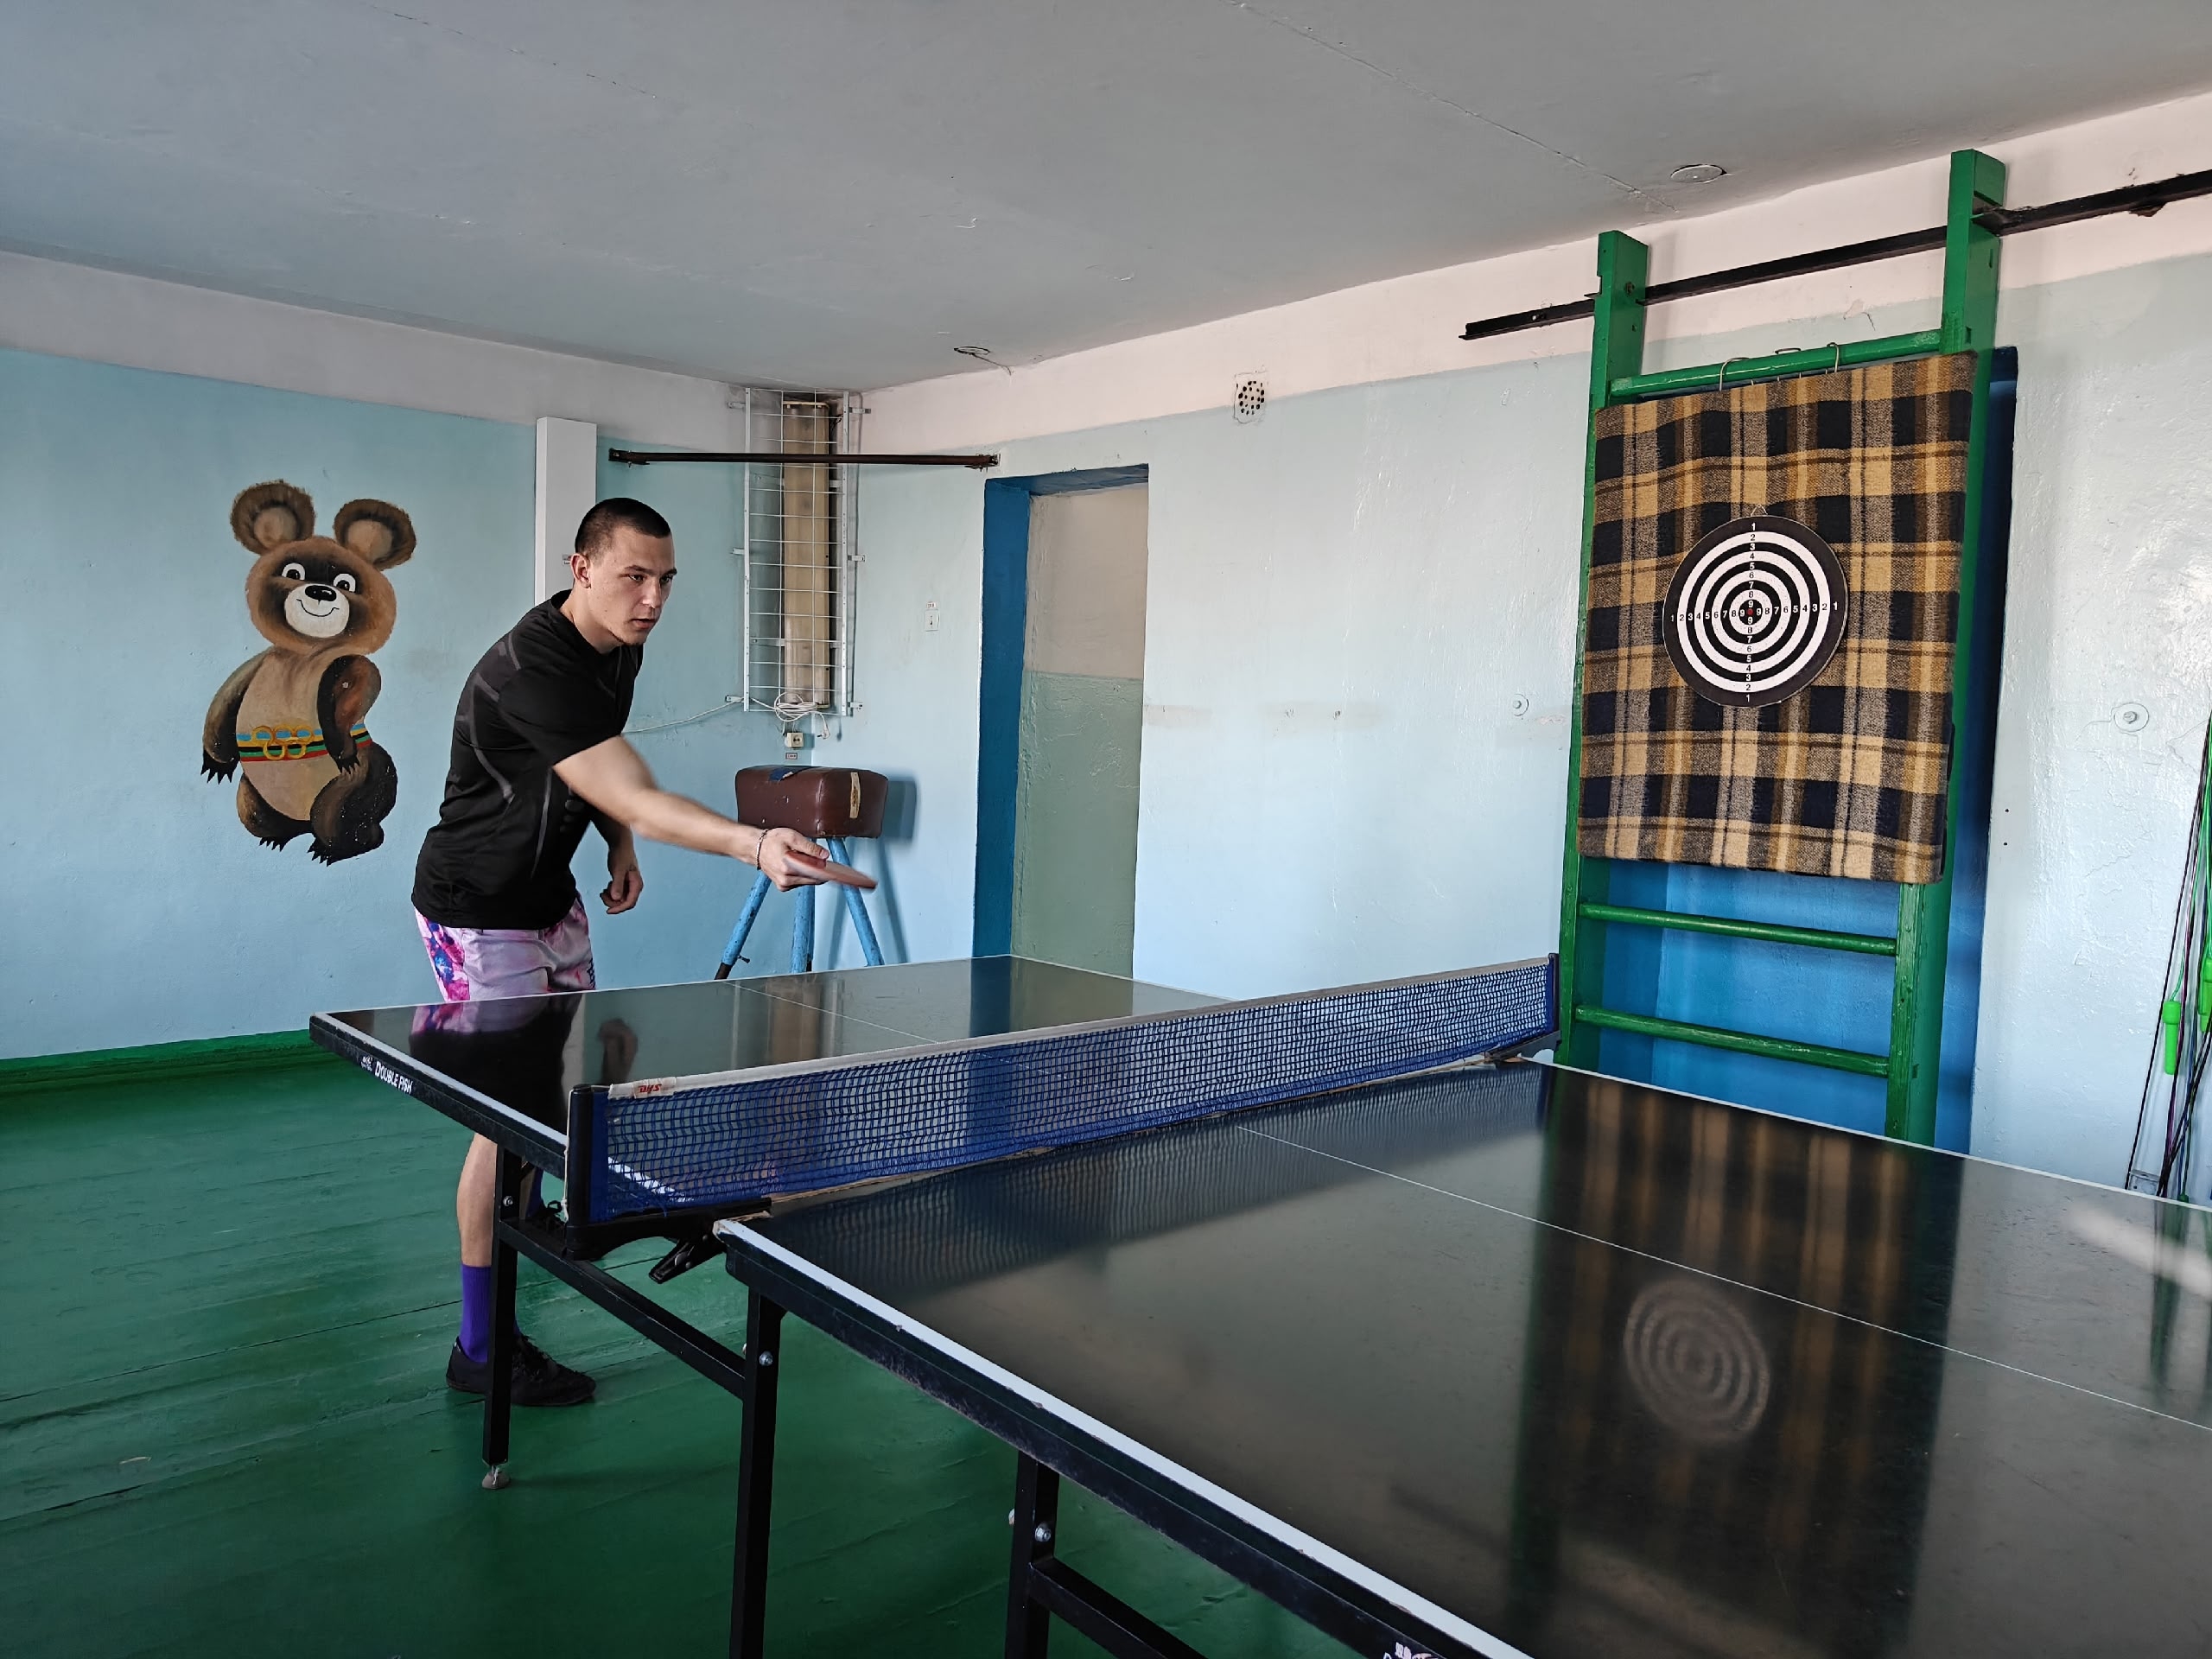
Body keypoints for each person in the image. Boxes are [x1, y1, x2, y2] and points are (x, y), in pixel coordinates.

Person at [411, 496, 827, 1406]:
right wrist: (754, 843)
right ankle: (479, 1345)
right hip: (477, 909)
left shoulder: (617, 648)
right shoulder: (534, 667)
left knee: (568, 1083)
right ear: (583, 568)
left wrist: (617, 843)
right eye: (635, 577)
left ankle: (541, 1219)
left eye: (665, 580)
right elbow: (629, 785)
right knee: (507, 1120)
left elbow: (600, 765)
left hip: (549, 897)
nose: (653, 600)